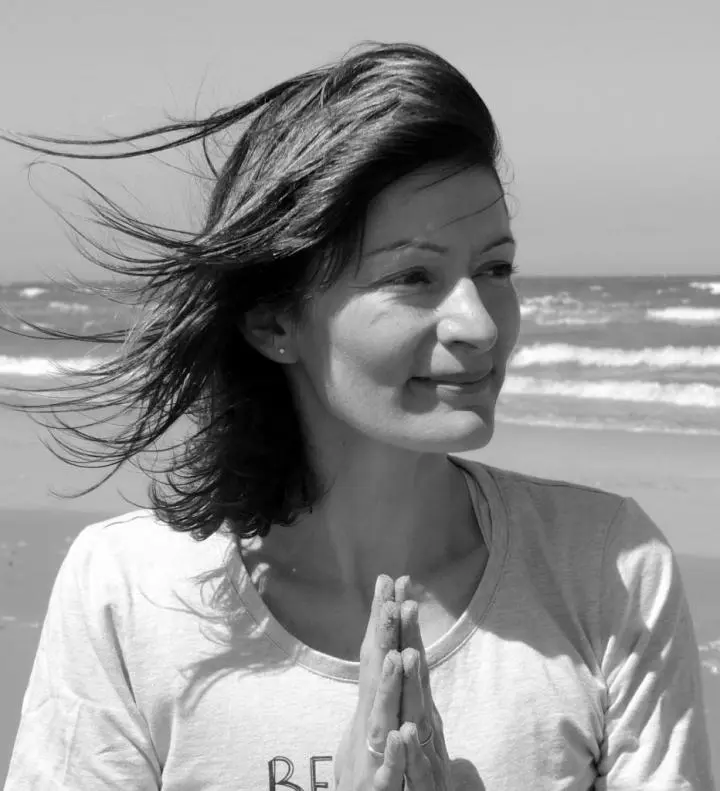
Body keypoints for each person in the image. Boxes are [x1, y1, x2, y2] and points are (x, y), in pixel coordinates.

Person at [2, 42, 714, 790]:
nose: (478, 321)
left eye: (495, 268)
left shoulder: (606, 570)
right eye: (414, 276)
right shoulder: (130, 593)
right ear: (274, 320)